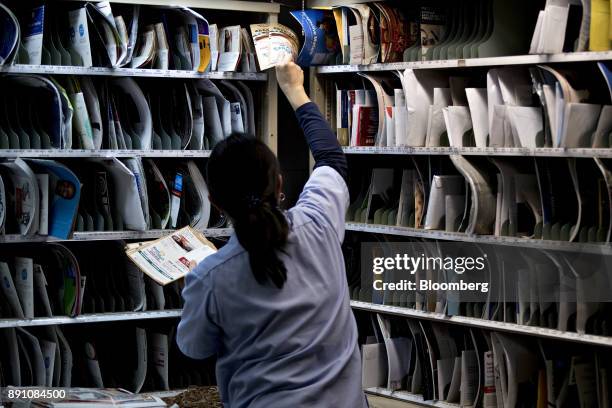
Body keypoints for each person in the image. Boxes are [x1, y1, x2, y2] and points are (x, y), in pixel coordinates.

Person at [177, 60, 367, 408]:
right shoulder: (319, 223)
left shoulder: (209, 277)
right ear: (280, 183)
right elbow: (331, 159)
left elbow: (194, 348)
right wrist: (295, 90)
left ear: (216, 204)